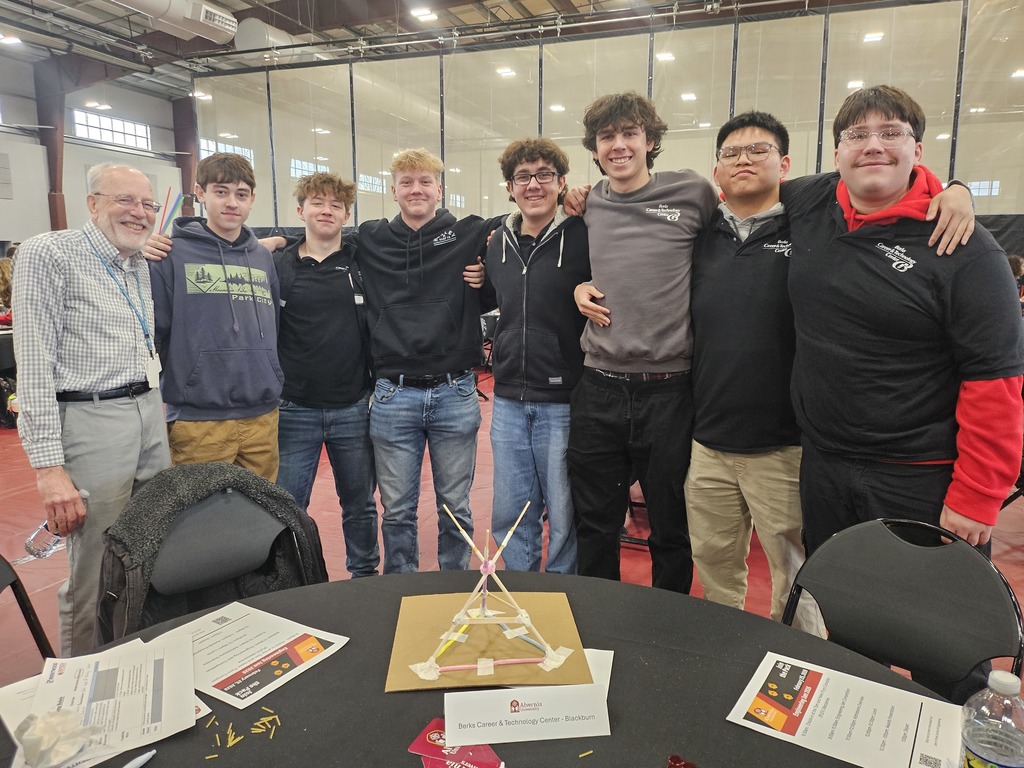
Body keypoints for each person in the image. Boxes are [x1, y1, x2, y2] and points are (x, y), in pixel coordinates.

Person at [784, 85, 1023, 698]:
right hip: (827, 466)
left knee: (942, 645)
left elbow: (994, 380)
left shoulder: (964, 245)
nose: (873, 147)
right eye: (856, 136)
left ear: (917, 148)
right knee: (844, 626)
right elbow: (736, 184)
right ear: (836, 151)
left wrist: (977, 496)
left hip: (923, 477)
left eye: (890, 133)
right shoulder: (813, 204)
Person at [12, 162, 170, 655]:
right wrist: (48, 470)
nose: (139, 213)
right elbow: (34, 364)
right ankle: (83, 681)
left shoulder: (137, 263)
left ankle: (134, 651)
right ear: (93, 203)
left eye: (147, 204)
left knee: (148, 543)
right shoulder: (50, 253)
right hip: (91, 419)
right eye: (124, 200)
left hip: (148, 410)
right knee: (93, 565)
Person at [568, 92, 717, 593]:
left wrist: (950, 188)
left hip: (670, 391)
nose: (618, 145)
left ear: (650, 141)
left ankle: (670, 624)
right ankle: (599, 615)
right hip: (599, 387)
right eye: (607, 137)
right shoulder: (589, 204)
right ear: (594, 148)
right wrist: (575, 286)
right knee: (594, 522)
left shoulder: (693, 192)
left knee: (672, 526)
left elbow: (766, 200)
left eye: (629, 133)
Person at [685, 111, 822, 633]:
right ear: (716, 171)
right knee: (716, 568)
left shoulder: (812, 226)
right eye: (731, 153)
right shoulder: (700, 235)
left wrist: (956, 190)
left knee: (796, 579)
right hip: (709, 444)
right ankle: (727, 658)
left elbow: (881, 181)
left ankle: (800, 672)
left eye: (758, 150)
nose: (743, 159)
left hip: (782, 447)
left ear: (784, 163)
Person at [359, 148, 499, 574]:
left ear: (439, 188)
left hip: (454, 392)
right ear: (393, 189)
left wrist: (486, 274)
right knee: (397, 508)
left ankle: (454, 584)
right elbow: (316, 240)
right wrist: (273, 242)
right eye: (406, 182)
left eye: (425, 182)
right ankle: (400, 583)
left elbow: (525, 219)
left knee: (455, 505)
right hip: (392, 394)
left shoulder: (470, 233)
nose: (416, 189)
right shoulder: (369, 236)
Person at [485, 137, 590, 573]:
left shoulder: (586, 234)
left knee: (565, 511)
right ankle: (521, 589)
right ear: (510, 187)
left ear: (561, 183)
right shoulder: (495, 243)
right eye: (523, 176)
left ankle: (564, 590)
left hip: (564, 398)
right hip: (508, 397)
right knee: (511, 508)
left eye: (544, 175)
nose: (533, 184)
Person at [150, 152, 283, 481]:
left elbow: (272, 326)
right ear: (200, 193)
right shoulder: (171, 254)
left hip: (262, 416)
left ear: (252, 199)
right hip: (199, 421)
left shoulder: (262, 259)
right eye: (221, 191)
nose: (231, 203)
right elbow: (157, 332)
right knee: (200, 523)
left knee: (260, 519)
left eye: (241, 194)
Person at [272, 172, 379, 577]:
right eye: (318, 202)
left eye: (336, 205)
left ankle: (364, 577)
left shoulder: (360, 262)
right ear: (301, 210)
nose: (327, 210)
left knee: (360, 503)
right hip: (293, 408)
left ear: (346, 215)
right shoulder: (278, 265)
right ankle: (289, 581)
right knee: (286, 505)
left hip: (353, 407)